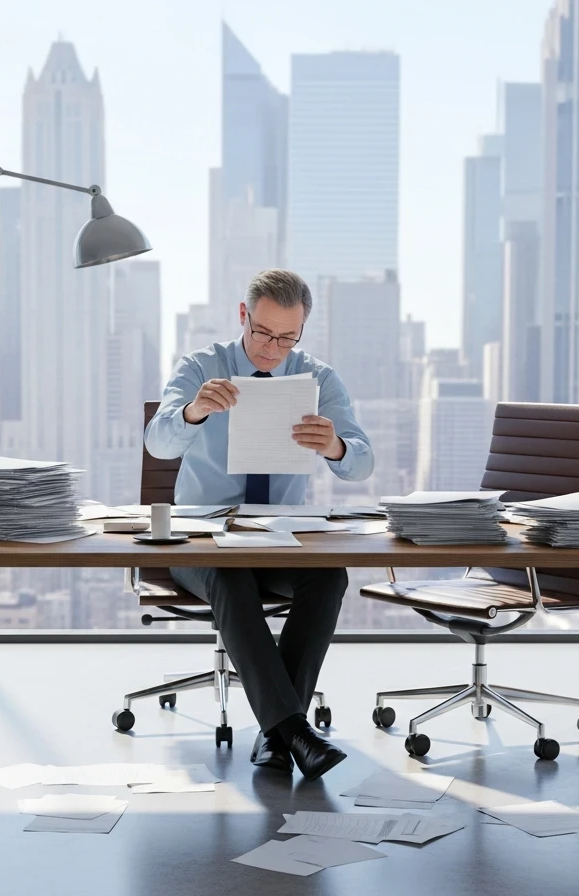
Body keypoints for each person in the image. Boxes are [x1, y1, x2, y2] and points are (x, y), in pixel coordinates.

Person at [144, 269, 373, 780]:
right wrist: (193, 411)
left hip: (277, 538)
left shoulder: (318, 379)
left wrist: (334, 446)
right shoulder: (202, 366)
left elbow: (361, 461)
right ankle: (294, 731)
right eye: (264, 333)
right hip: (200, 542)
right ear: (243, 316)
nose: (273, 349)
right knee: (229, 575)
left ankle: (277, 732)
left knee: (329, 577)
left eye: (288, 337)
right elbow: (158, 443)